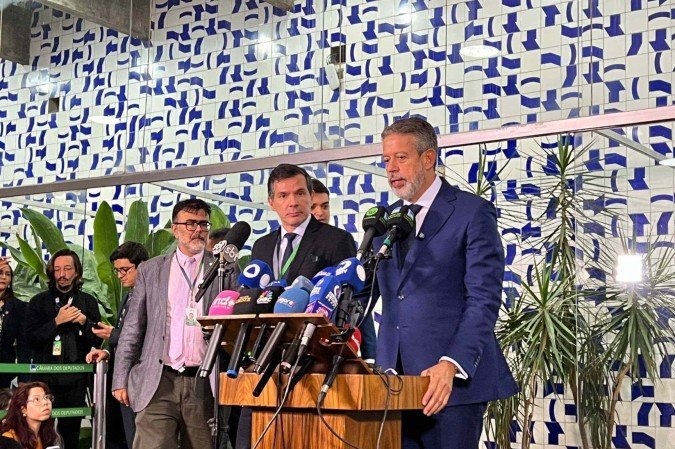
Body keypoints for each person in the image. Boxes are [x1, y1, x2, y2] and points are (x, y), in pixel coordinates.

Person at [374, 117, 518, 448]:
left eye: (401, 157)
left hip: (450, 386)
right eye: (386, 160)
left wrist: (451, 364)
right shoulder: (384, 223)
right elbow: (376, 294)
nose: (391, 168)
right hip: (395, 384)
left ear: (428, 158)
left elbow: (483, 300)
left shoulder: (471, 212)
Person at [235, 164, 357, 449]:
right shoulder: (262, 245)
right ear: (272, 202)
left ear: (310, 196)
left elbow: (349, 302)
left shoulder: (336, 240)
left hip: (313, 364)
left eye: (300, 193)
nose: (293, 202)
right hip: (265, 360)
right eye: (283, 195)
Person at [113, 199, 238, 449]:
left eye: (203, 224)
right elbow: (132, 328)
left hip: (203, 380)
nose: (197, 230)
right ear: (175, 229)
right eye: (190, 223)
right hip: (158, 379)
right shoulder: (151, 269)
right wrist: (120, 378)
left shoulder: (224, 268)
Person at [24, 249, 102, 449]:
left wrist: (84, 322)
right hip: (44, 380)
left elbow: (98, 339)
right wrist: (56, 322)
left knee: (70, 434)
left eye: (67, 269)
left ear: (77, 272)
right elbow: (30, 339)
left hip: (76, 381)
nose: (62, 274)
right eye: (57, 269)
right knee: (40, 433)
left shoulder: (88, 302)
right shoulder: (38, 302)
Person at [86, 242, 149, 449]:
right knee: (122, 436)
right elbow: (124, 335)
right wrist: (107, 351)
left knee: (137, 438)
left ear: (143, 265)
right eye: (117, 271)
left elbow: (145, 338)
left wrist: (113, 335)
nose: (120, 276)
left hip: (141, 379)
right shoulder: (128, 295)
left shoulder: (152, 296)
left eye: (125, 270)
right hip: (121, 378)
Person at [309, 178, 377, 362]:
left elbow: (356, 301)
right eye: (313, 207)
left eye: (325, 206)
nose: (320, 213)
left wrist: (370, 357)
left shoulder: (341, 241)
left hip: (337, 341)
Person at [0, 381, 62, 449]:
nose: (45, 402)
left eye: (46, 397)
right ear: (23, 409)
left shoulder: (49, 435)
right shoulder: (8, 439)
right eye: (37, 399)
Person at [0, 258, 30, 388]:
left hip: (4, 372)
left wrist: (23, 379)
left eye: (7, 274)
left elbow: (24, 345)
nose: (3, 277)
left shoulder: (19, 307)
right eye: (0, 273)